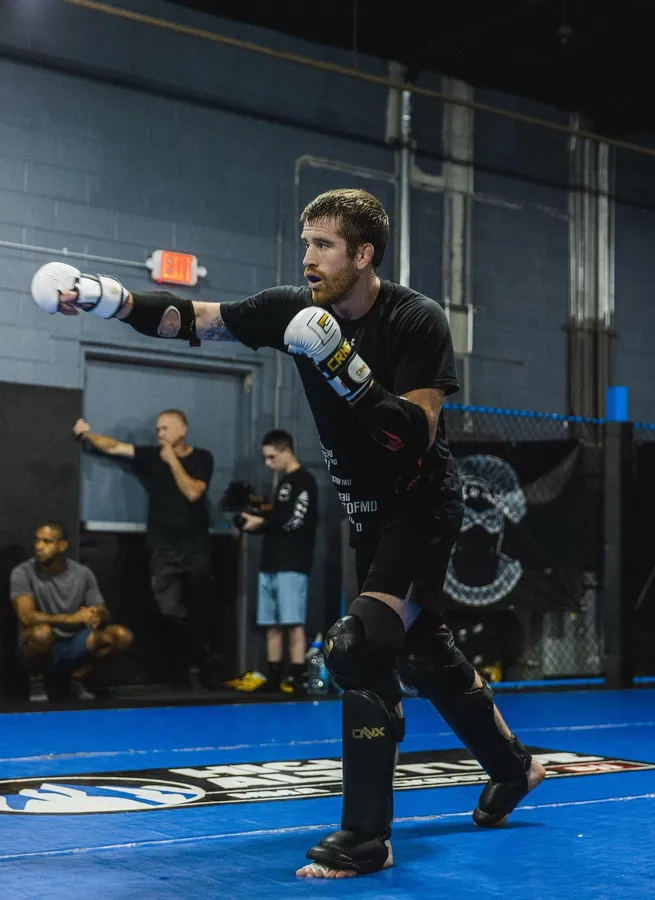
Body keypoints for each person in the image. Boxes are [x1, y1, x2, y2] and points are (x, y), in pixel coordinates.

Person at [30, 187, 546, 877]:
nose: (309, 258)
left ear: (363, 254)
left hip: (420, 506)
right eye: (306, 243)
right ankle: (513, 767)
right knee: (421, 649)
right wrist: (107, 300)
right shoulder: (292, 310)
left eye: (324, 245)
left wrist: (345, 370)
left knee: (358, 648)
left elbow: (416, 437)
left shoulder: (416, 320)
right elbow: (194, 319)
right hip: (365, 510)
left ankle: (365, 837)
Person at [72, 410, 216, 688]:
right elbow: (114, 447)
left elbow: (193, 492)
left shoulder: (202, 458)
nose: (159, 434)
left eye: (164, 429)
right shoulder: (151, 456)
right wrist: (86, 435)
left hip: (195, 548)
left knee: (202, 608)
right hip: (163, 549)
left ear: (182, 431)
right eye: (157, 429)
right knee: (168, 610)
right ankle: (181, 665)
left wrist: (173, 461)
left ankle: (204, 665)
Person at [10, 521, 133, 702]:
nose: (39, 546)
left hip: (76, 643)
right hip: (42, 644)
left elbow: (103, 610)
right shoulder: (22, 572)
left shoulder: (83, 573)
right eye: (37, 540)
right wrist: (73, 618)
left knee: (122, 636)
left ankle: (77, 680)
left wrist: (96, 616)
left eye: (47, 541)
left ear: (62, 546)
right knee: (41, 633)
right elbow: (26, 616)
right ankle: (37, 683)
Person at [240, 429, 318, 697]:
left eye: (272, 457)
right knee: (271, 622)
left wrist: (262, 522)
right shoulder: (282, 483)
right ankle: (273, 676)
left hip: (292, 563)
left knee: (293, 622)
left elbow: (296, 519)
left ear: (287, 451)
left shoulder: (304, 480)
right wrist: (256, 523)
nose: (268, 463)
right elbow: (276, 519)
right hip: (271, 562)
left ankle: (297, 677)